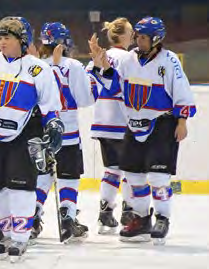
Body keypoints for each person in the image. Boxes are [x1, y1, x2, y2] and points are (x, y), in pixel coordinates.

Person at [89, 16, 196, 245]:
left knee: (158, 177)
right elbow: (115, 85)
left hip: (162, 124)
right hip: (133, 124)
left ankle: (162, 217)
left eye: (143, 37)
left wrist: (182, 121)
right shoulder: (129, 59)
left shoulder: (169, 61)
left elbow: (182, 92)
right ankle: (141, 219)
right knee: (133, 176)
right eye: (137, 36)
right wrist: (102, 64)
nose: (138, 40)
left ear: (156, 39)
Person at [0, 17, 62, 261]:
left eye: (8, 37)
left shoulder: (38, 68)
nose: (2, 42)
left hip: (25, 133)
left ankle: (21, 238)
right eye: (0, 37)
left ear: (23, 41)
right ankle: (6, 232)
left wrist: (53, 124)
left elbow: (50, 105)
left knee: (21, 186)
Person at [31, 22, 94, 243]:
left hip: (42, 131)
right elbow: (86, 99)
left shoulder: (35, 66)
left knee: (41, 177)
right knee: (68, 177)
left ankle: (32, 219)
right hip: (67, 132)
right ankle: (67, 219)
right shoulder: (74, 66)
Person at [86, 17, 134, 234]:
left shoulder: (98, 57)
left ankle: (105, 212)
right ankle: (130, 211)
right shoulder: (129, 58)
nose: (133, 35)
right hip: (123, 122)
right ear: (122, 35)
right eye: (130, 32)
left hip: (102, 122)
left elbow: (88, 88)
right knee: (132, 170)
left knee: (112, 169)